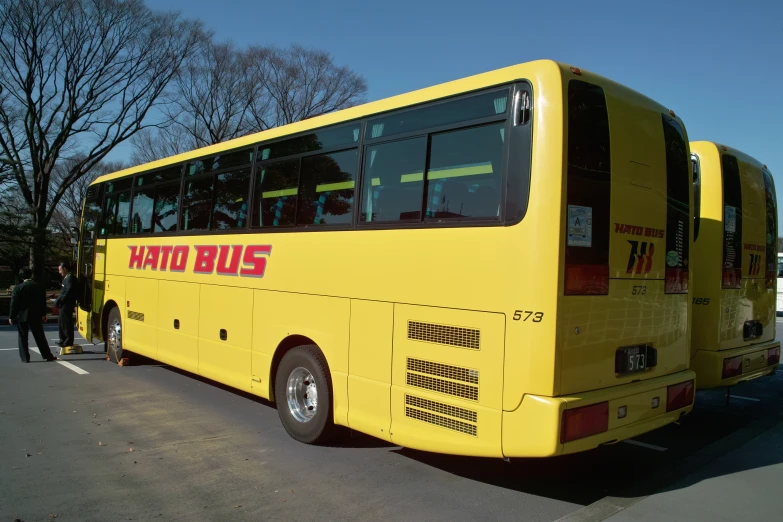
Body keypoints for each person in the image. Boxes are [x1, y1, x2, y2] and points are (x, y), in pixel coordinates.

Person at [9, 267, 57, 363]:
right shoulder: (38, 286)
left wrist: (11, 316)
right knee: (40, 336)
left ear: (21, 277)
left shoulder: (18, 288)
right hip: (35, 315)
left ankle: (25, 357)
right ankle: (47, 355)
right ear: (31, 275)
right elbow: (42, 302)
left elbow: (14, 304)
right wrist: (44, 314)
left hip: (22, 315)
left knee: (23, 337)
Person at [55, 260, 78, 348]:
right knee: (61, 322)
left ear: (65, 269)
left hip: (67, 303)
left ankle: (68, 340)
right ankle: (63, 339)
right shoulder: (67, 278)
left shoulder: (70, 278)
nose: (59, 271)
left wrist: (61, 300)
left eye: (60, 269)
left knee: (66, 323)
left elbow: (68, 292)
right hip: (64, 303)